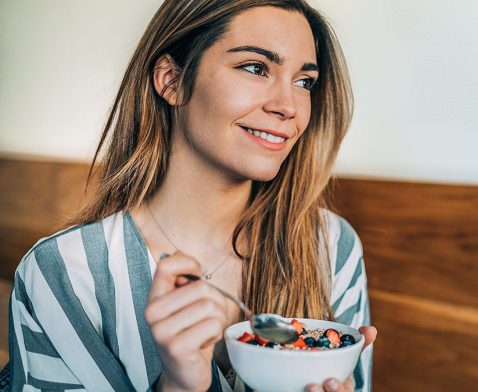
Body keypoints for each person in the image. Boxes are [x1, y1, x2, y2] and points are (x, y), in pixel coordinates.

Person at [3, 0, 377, 390]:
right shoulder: (64, 273)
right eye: (255, 68)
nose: (288, 107)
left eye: (304, 82)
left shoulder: (330, 246)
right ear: (171, 80)